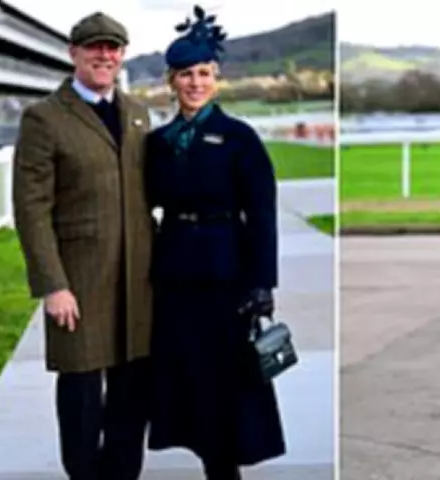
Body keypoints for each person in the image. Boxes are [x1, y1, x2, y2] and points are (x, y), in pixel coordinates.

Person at [144, 5, 286, 479]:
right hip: (175, 275)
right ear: (171, 80)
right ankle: (210, 462)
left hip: (228, 274)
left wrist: (262, 282)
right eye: (186, 74)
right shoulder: (158, 143)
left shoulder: (239, 138)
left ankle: (225, 471)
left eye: (203, 73)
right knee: (188, 381)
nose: (195, 83)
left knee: (226, 383)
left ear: (216, 78)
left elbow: (263, 215)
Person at [11, 12, 154, 480]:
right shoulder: (44, 119)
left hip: (137, 281)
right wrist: (53, 285)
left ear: (122, 55)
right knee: (82, 400)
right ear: (73, 53)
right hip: (80, 285)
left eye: (113, 47)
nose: (104, 55)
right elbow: (31, 210)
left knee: (131, 401)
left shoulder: (137, 113)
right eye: (94, 46)